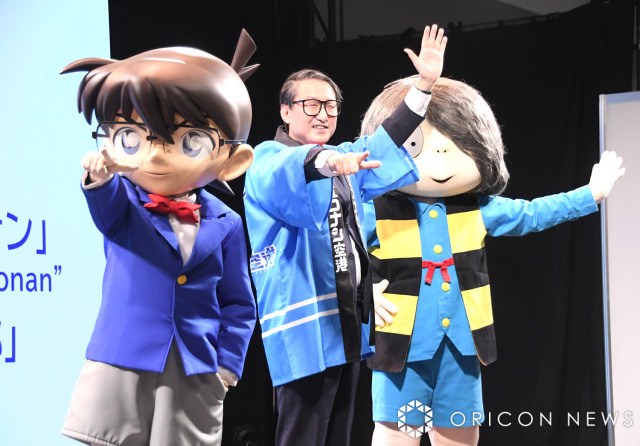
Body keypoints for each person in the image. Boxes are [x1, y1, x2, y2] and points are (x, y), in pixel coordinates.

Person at [359, 75, 625, 446]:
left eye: (457, 142)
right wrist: (363, 293)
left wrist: (589, 195)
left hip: (462, 347)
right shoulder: (375, 210)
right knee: (395, 434)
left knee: (458, 434)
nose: (440, 155)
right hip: (400, 346)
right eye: (418, 142)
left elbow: (532, 214)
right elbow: (336, 252)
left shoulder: (478, 209)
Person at [243, 24, 447, 446]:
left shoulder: (346, 157)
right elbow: (295, 169)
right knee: (302, 437)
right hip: (303, 324)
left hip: (345, 322)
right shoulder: (268, 158)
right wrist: (327, 163)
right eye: (311, 104)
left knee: (340, 435)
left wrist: (424, 86)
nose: (323, 114)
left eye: (331, 106)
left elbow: (385, 142)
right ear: (285, 111)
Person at [60, 31, 258, 446]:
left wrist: (226, 368)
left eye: (189, 140)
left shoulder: (227, 222)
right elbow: (105, 206)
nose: (154, 153)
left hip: (194, 367)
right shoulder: (123, 203)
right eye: (133, 136)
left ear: (233, 160)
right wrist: (99, 178)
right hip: (123, 358)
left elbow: (239, 303)